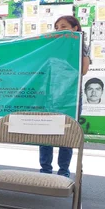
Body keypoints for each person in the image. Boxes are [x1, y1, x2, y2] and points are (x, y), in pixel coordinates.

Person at [39, 15, 90, 178]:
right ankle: (45, 170)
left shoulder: (81, 46)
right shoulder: (52, 45)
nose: (59, 30)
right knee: (45, 132)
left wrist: (79, 47)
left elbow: (83, 70)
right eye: (57, 27)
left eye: (63, 26)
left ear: (75, 28)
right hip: (51, 96)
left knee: (66, 134)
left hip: (71, 98)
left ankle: (63, 171)